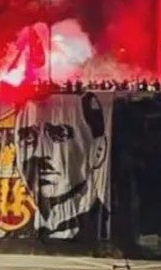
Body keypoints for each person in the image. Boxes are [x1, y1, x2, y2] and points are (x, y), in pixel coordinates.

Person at [15, 92, 109, 239]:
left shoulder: (107, 230)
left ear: (98, 151)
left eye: (59, 134)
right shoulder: (16, 237)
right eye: (27, 137)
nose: (39, 152)